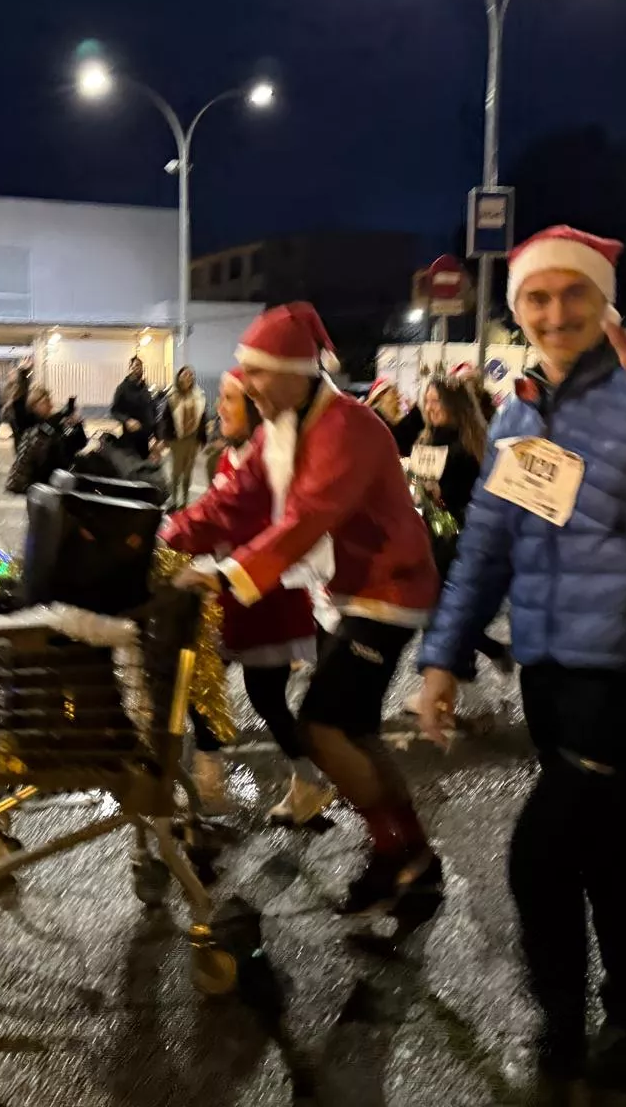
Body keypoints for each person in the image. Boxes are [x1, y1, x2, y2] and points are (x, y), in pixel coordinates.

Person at [414, 228, 626, 1102]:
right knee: (603, 846)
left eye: (574, 293)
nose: (555, 312)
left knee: (539, 852)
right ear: (516, 310)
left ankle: (560, 1023)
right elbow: (487, 548)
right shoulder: (521, 412)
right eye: (537, 297)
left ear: (604, 301)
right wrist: (443, 656)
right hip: (551, 663)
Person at [172, 302, 441, 914]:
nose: (246, 387)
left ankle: (397, 854)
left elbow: (306, 518)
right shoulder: (283, 426)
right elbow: (233, 499)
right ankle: (411, 857)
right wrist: (164, 536)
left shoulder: (345, 426)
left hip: (390, 591)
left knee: (324, 727)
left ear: (296, 372)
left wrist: (223, 574)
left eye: (257, 374)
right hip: (353, 591)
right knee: (353, 730)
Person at [161, 368, 333, 826]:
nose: (219, 407)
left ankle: (223, 784)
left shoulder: (270, 463)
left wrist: (168, 539)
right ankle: (219, 783)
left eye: (229, 399)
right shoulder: (230, 458)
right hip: (231, 597)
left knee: (257, 696)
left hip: (263, 601)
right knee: (220, 688)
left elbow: (232, 521)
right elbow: (214, 516)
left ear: (256, 408)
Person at [406, 374, 513, 675]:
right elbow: (420, 488)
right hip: (432, 533)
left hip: (461, 536)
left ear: (455, 405)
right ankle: (467, 662)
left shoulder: (470, 443)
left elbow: (476, 491)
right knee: (435, 609)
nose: (431, 407)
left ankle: (454, 672)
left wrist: (443, 494)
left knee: (443, 609)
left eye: (437, 401)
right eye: (427, 401)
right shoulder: (425, 440)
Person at [5, 385, 88, 494]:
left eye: (48, 400)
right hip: (40, 485)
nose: (49, 404)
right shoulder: (32, 426)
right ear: (34, 406)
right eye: (44, 402)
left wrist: (77, 426)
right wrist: (63, 413)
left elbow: (79, 443)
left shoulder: (57, 424)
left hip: (59, 480)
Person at [157, 365, 208, 510]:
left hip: (193, 440)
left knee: (188, 472)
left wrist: (202, 438)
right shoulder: (173, 397)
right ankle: (174, 500)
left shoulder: (198, 396)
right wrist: (164, 438)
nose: (188, 377)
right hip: (177, 440)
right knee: (176, 472)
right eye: (185, 375)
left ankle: (184, 501)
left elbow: (202, 419)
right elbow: (165, 419)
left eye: (190, 375)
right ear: (179, 378)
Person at [110, 356, 157, 458]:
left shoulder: (145, 389)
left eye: (139, 366)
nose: (137, 368)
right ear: (130, 369)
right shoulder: (122, 388)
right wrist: (127, 420)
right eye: (134, 366)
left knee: (145, 464)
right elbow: (114, 410)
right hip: (130, 439)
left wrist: (155, 436)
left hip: (145, 440)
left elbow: (152, 410)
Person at [367, 376, 423, 452]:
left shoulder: (396, 423)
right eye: (394, 392)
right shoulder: (375, 423)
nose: (398, 396)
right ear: (380, 396)